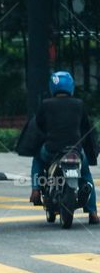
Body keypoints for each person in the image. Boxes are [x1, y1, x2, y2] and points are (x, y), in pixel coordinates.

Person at [29, 70, 99, 224]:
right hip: (75, 151)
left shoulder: (45, 104)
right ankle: (93, 213)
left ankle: (35, 189)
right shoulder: (79, 104)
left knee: (37, 159)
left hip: (51, 150)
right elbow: (86, 129)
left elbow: (37, 127)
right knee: (86, 175)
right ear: (71, 87)